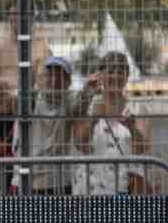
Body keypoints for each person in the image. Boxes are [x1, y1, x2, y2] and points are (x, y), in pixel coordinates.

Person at [14, 56, 96, 196]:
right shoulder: (29, 100)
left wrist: (89, 89)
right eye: (49, 75)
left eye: (60, 76)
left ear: (68, 82)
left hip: (59, 183)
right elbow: (6, 102)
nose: (54, 80)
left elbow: (82, 103)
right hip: (27, 181)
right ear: (40, 80)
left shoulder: (69, 100)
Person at [74, 50, 149, 196]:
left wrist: (132, 128)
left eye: (120, 71)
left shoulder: (137, 108)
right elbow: (80, 145)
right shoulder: (88, 105)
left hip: (122, 189)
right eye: (110, 71)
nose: (115, 76)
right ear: (101, 76)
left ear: (127, 76)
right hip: (89, 189)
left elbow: (143, 149)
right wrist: (93, 119)